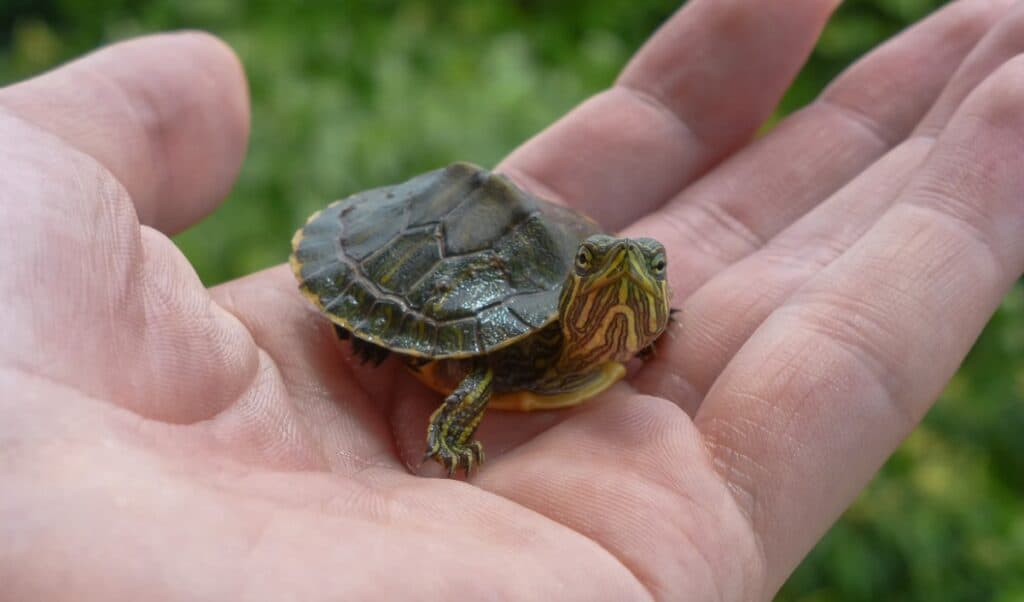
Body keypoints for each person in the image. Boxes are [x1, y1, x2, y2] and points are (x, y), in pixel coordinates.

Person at [1, 0, 1022, 599]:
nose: (631, 288)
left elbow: (633, 298)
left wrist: (647, 325)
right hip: (418, 244)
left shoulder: (616, 324)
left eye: (646, 282)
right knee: (424, 346)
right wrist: (441, 408)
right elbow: (468, 367)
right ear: (577, 295)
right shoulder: (510, 349)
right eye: (614, 280)